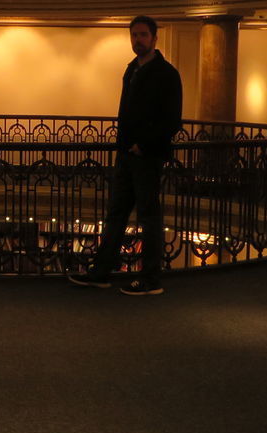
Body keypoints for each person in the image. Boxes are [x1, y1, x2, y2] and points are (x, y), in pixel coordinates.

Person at [68, 15, 182, 295]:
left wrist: (143, 145)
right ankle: (101, 272)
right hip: (128, 156)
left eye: (143, 35)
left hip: (147, 156)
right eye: (134, 35)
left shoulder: (166, 73)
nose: (138, 40)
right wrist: (126, 147)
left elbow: (171, 119)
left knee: (148, 216)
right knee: (116, 214)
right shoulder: (132, 69)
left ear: (154, 38)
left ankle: (151, 279)